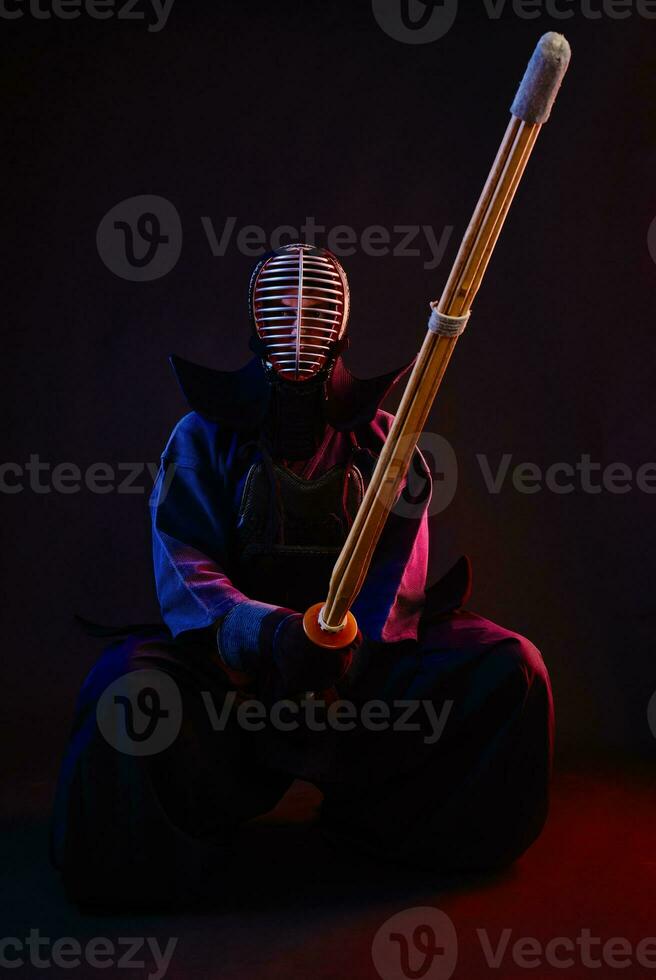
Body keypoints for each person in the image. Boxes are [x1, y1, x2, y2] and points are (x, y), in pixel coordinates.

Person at [51, 244, 553, 907]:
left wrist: (346, 650)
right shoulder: (201, 438)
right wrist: (267, 634)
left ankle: (395, 828)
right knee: (124, 691)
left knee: (511, 670)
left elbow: (396, 574)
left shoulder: (383, 443)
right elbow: (187, 560)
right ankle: (164, 855)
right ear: (253, 321)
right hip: (230, 673)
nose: (295, 329)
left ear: (341, 324)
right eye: (278, 310)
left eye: (314, 311)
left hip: (361, 674)